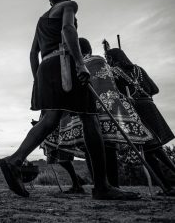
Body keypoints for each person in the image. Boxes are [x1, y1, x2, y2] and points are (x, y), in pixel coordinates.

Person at [0, 0, 139, 200]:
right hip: (65, 63)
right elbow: (67, 29)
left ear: (50, 1)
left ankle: (15, 160)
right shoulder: (69, 6)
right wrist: (80, 64)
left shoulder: (40, 21)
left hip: (46, 67)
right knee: (89, 117)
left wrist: (38, 79)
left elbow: (32, 53)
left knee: (51, 118)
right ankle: (102, 186)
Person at [39, 38, 153, 192]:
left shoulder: (74, 64)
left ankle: (100, 185)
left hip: (86, 113)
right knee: (108, 146)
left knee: (91, 148)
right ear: (90, 50)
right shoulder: (99, 61)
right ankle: (112, 185)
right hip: (109, 109)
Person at [105, 44, 175, 196]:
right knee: (155, 148)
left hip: (136, 110)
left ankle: (168, 188)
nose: (107, 61)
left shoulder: (114, 72)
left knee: (150, 151)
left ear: (111, 58)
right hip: (150, 107)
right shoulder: (139, 70)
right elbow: (155, 89)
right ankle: (167, 187)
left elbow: (114, 95)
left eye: (107, 58)